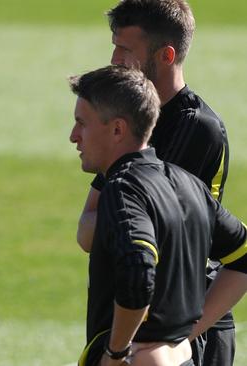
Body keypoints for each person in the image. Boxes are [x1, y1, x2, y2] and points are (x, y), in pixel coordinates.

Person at [76, 1, 232, 364]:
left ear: (166, 55)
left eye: (125, 49)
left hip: (181, 331)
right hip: (138, 325)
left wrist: (179, 340)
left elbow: (129, 230)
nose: (114, 59)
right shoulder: (129, 121)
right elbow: (88, 228)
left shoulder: (194, 128)